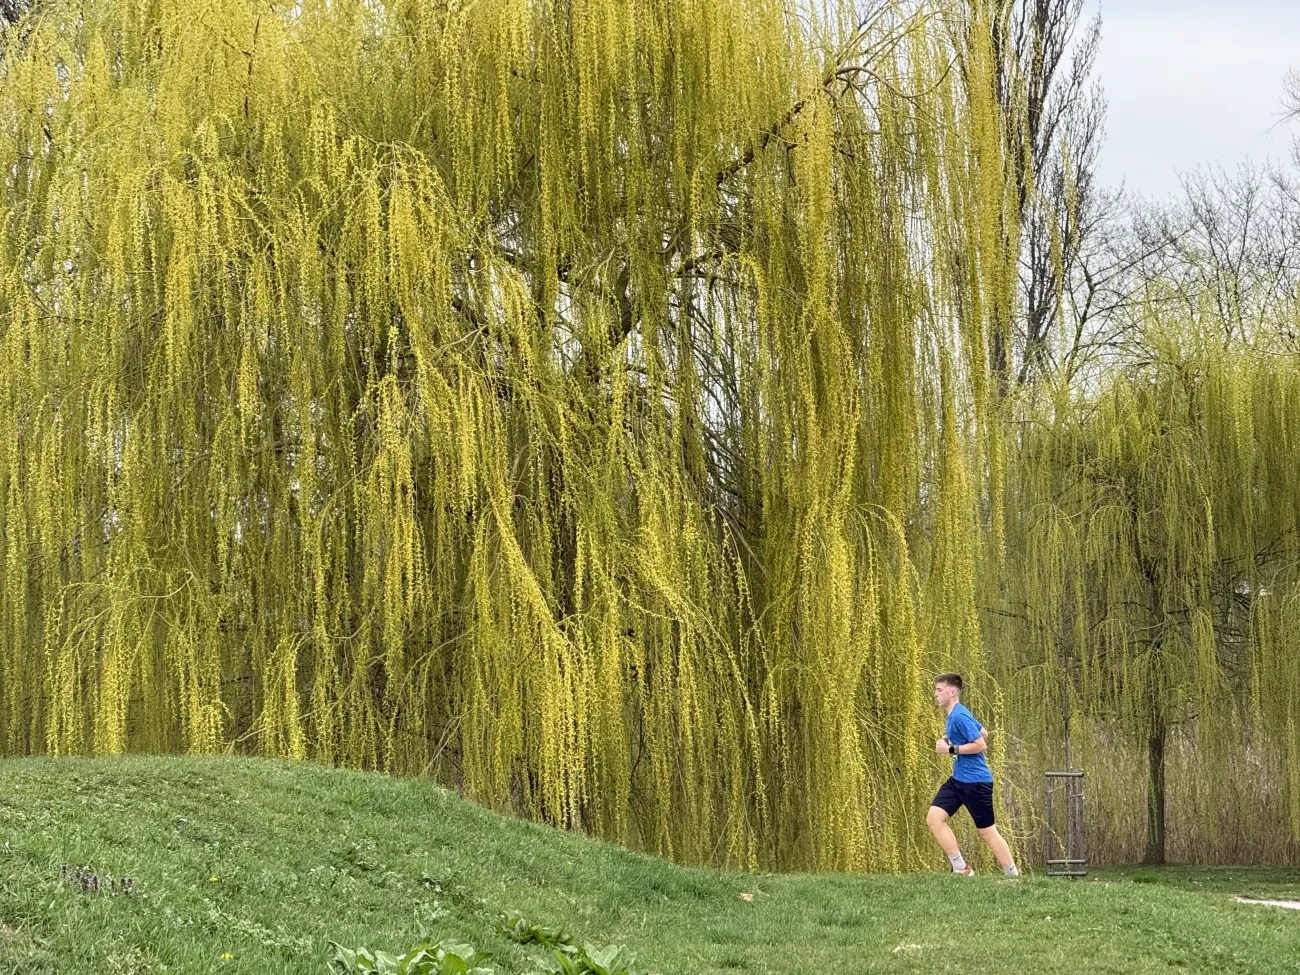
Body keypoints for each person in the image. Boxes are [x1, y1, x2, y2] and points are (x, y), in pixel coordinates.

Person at [926, 672, 1019, 877]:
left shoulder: (959, 716)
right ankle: (961, 868)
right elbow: (983, 732)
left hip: (976, 782)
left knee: (986, 831)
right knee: (934, 818)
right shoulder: (956, 715)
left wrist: (950, 749)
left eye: (939, 690)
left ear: (952, 692)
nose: (936, 694)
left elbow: (981, 743)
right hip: (958, 780)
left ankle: (1013, 875)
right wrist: (952, 739)